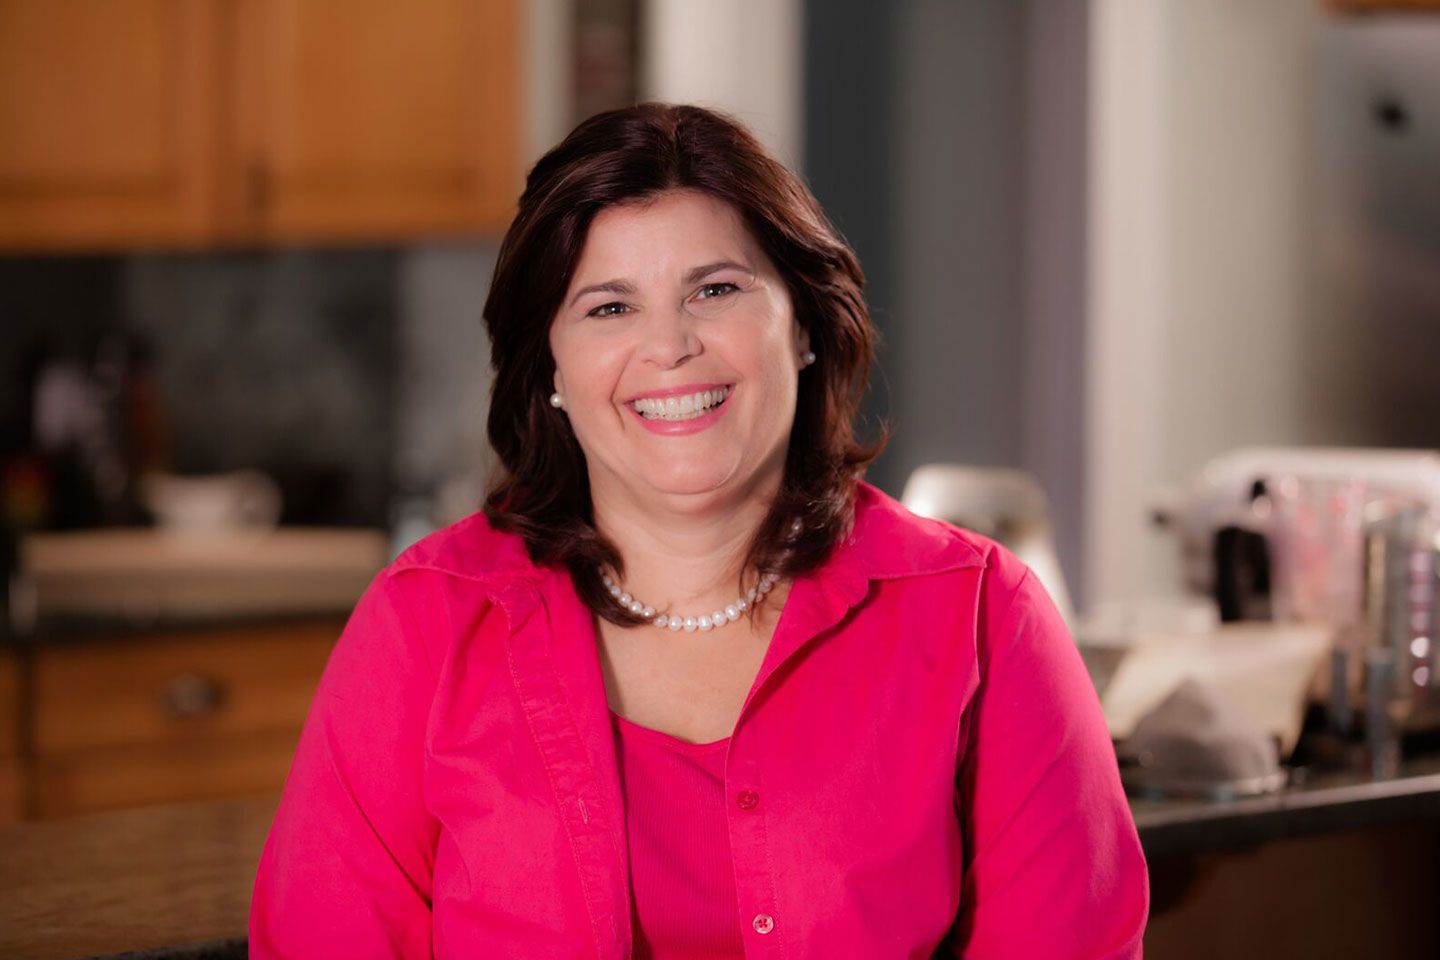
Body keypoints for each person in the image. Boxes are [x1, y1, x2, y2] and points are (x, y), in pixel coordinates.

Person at [250, 102, 1148, 958]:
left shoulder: (983, 614)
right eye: (609, 307)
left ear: (802, 326)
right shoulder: (424, 624)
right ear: (550, 367)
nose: (669, 346)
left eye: (715, 290)